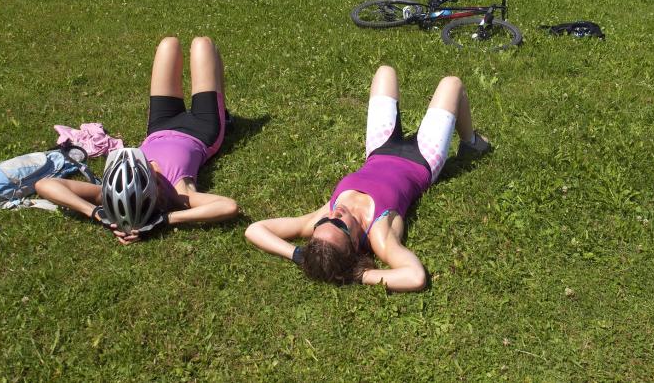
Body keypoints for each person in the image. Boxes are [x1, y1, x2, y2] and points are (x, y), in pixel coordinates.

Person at [244, 65, 489, 292]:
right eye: (339, 224)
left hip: (380, 149)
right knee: (452, 84)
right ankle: (471, 144)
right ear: (354, 242)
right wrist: (359, 275)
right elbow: (415, 276)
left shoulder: (323, 219)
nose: (333, 214)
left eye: (322, 224)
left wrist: (298, 254)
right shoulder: (379, 235)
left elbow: (255, 229)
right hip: (423, 159)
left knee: (385, 72)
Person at [36, 36, 239, 244]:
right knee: (202, 44)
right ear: (154, 188)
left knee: (168, 44)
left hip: (159, 125)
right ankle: (222, 113)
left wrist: (98, 214)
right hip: (201, 129)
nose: (141, 161)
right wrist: (166, 219)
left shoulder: (117, 189)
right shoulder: (178, 192)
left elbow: (44, 185)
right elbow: (229, 206)